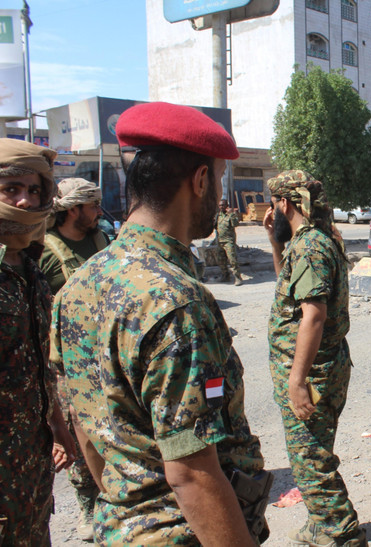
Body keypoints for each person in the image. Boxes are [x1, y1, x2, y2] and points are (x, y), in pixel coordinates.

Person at [50, 102, 267, 545]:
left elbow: (86, 426)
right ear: (200, 180)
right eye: (220, 179)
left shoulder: (81, 282)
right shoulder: (174, 302)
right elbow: (191, 473)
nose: (221, 196)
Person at [263, 170, 365, 547]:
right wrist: (274, 242)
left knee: (311, 462)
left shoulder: (309, 247)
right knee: (312, 453)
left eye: (275, 205)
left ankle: (341, 534)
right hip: (321, 368)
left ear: (285, 204)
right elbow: (287, 288)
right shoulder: (308, 243)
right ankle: (321, 524)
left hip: (314, 373)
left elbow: (314, 315)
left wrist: (297, 380)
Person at [0, 138, 75, 546]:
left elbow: (39, 366)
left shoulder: (30, 269)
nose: (25, 202)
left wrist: (58, 427)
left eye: (33, 190)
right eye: (11, 189)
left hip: (29, 469)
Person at [38, 177, 108, 540]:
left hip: (106, 355)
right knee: (80, 440)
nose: (98, 212)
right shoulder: (46, 250)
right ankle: (88, 505)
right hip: (67, 363)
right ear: (72, 209)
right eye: (92, 206)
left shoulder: (101, 240)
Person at [216, 198, 243, 285]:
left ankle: (238, 277)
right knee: (221, 260)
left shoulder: (231, 215)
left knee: (232, 260)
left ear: (227, 206)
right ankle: (225, 275)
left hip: (228, 241)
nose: (221, 207)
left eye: (223, 205)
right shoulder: (218, 215)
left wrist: (232, 214)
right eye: (220, 205)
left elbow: (236, 224)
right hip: (220, 241)